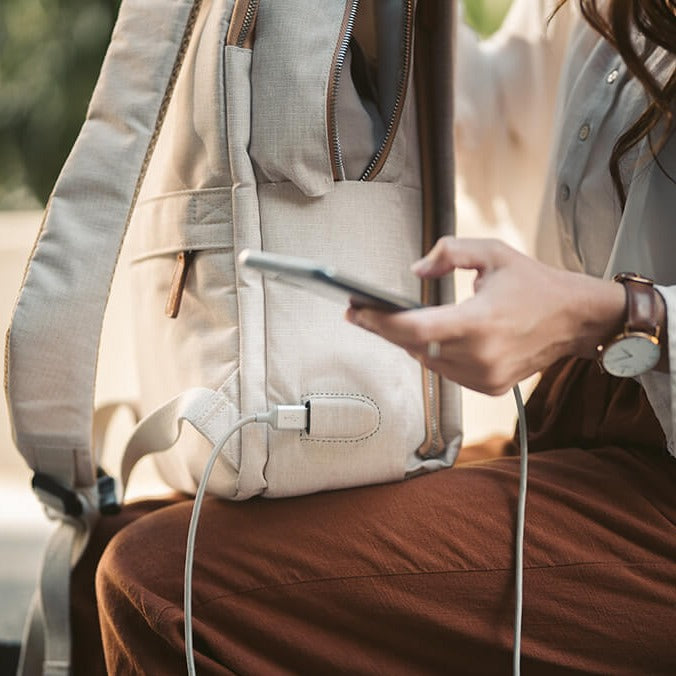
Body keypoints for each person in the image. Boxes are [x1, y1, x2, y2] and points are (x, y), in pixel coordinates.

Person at [70, 0, 676, 673]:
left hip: (658, 466)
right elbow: (481, 115)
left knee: (160, 578)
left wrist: (604, 313)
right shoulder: (596, 11)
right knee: (101, 546)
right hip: (581, 414)